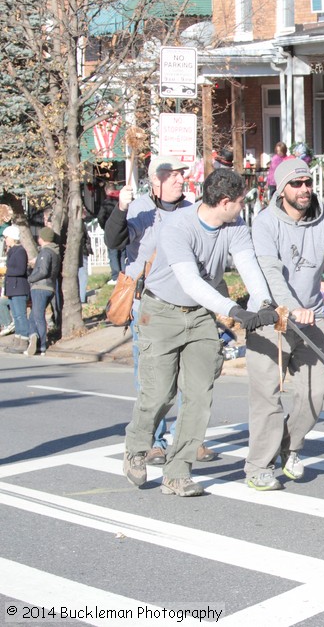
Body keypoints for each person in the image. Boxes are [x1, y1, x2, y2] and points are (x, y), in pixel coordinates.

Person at [122, 168, 277, 497]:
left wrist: (264, 302)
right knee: (159, 394)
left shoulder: (234, 225)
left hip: (202, 317)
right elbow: (190, 283)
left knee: (198, 396)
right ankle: (136, 449)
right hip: (161, 312)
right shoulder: (178, 227)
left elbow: (248, 264)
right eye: (239, 202)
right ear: (224, 202)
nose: (242, 206)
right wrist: (234, 311)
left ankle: (177, 473)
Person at [244, 158, 324, 490]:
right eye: (296, 184)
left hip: (313, 317)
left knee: (315, 394)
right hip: (272, 319)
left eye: (307, 182)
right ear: (281, 188)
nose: (304, 189)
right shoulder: (264, 223)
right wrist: (290, 307)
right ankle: (258, 465)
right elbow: (270, 271)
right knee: (267, 397)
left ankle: (289, 446)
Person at [104, 156, 200, 466]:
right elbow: (114, 240)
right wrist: (121, 208)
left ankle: (188, 440)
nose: (178, 180)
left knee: (191, 377)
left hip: (186, 302)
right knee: (153, 379)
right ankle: (152, 442)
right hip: (147, 305)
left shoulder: (192, 209)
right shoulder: (138, 207)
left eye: (180, 175)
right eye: (170, 175)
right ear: (154, 181)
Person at [24, 227, 61, 356]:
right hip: (50, 287)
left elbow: (43, 271)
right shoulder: (55, 252)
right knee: (33, 315)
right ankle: (33, 337)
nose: (38, 238)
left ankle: (42, 345)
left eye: (40, 236)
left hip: (40, 287)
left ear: (44, 239)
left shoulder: (45, 251)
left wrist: (30, 279)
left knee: (38, 316)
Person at [2, 225, 30, 344]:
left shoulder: (20, 251)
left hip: (19, 288)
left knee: (20, 315)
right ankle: (18, 338)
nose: (5, 239)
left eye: (6, 237)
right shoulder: (12, 251)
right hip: (12, 288)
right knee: (16, 315)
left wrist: (6, 270)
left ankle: (24, 338)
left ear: (13, 237)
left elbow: (20, 270)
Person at [97, 182, 123, 284]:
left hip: (111, 231)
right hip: (123, 230)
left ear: (107, 191)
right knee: (122, 254)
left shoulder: (107, 203)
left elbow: (100, 217)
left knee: (113, 254)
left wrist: (105, 227)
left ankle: (116, 276)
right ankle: (124, 274)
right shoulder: (121, 200)